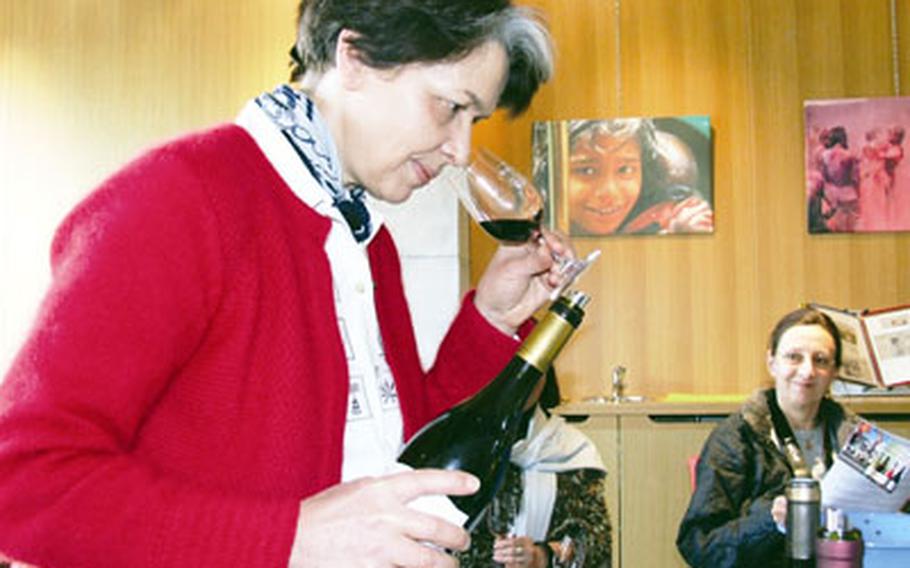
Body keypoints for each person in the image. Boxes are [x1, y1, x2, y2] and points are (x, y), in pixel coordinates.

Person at [0, 2, 573, 567]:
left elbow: (400, 458)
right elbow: (22, 480)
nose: (461, 150)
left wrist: (491, 322)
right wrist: (289, 539)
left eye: (474, 121)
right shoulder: (179, 197)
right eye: (450, 107)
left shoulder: (368, 242)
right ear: (354, 57)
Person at [676, 307, 862, 568]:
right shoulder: (736, 438)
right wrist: (769, 522)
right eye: (794, 357)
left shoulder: (859, 439)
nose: (807, 371)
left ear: (834, 372)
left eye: (821, 360)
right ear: (772, 363)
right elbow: (699, 546)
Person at [457, 370, 611, 568]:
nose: (521, 377)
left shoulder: (570, 449)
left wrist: (542, 556)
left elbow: (597, 544)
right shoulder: (457, 445)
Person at [534, 117, 713, 236]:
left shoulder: (667, 218)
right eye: (586, 170)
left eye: (625, 169)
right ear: (546, 174)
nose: (609, 193)